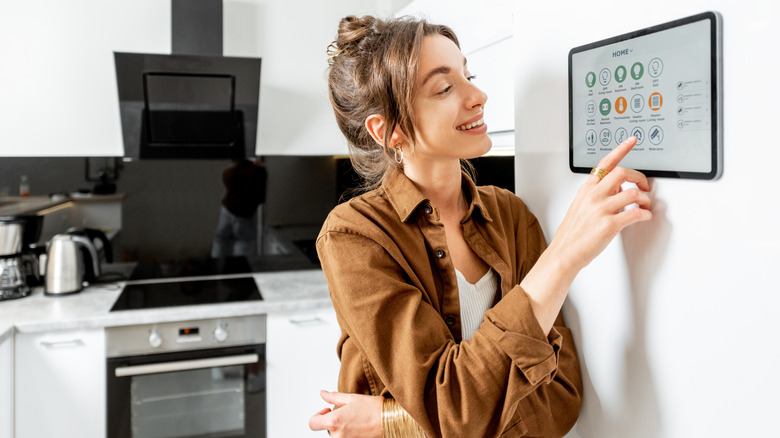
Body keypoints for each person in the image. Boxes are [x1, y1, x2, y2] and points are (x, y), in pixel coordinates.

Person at [309, 15, 652, 437]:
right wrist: (565, 254)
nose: (478, 95)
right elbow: (455, 407)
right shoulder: (354, 235)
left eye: (468, 75)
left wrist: (392, 420)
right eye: (445, 87)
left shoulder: (510, 215)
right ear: (390, 130)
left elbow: (562, 398)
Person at [210, 157, 267, 258]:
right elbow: (261, 198)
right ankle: (240, 269)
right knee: (244, 244)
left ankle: (218, 269)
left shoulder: (232, 173)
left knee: (220, 241)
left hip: (227, 211)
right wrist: (258, 167)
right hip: (244, 215)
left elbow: (226, 174)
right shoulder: (257, 172)